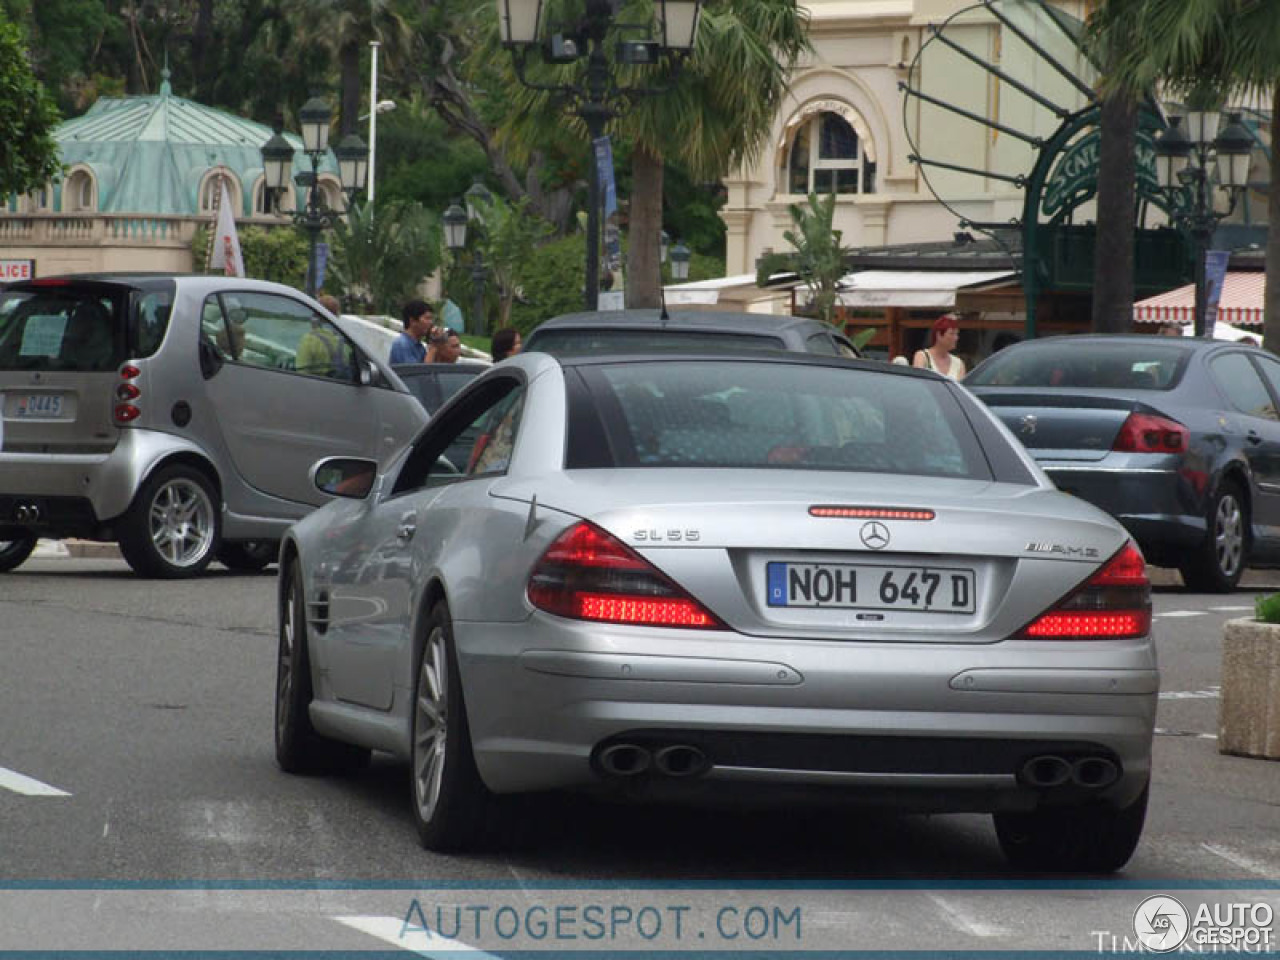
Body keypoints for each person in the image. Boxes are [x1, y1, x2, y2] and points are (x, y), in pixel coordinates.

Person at [913, 314, 966, 380]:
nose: (956, 338)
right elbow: (918, 383)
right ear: (939, 335)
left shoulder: (959, 364)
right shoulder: (923, 357)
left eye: (957, 334)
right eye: (952, 334)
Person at [391, 300, 433, 365]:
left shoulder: (420, 347)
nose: (431, 323)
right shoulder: (402, 344)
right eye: (427, 318)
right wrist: (434, 348)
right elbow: (418, 373)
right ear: (412, 321)